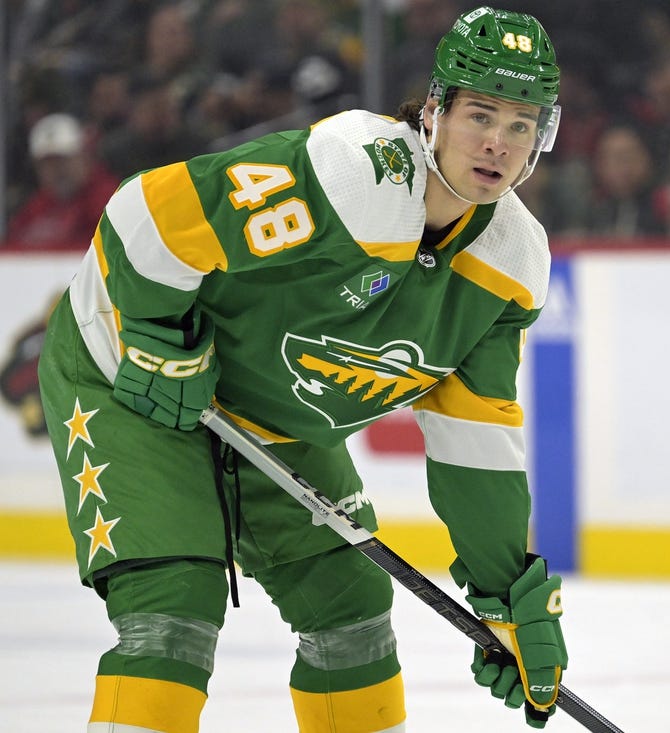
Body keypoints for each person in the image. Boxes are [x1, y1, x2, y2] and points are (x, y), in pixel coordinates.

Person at [37, 7, 568, 732]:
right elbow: (147, 215)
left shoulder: (510, 264)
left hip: (274, 420)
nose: (497, 144)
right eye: (481, 113)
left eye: (520, 125)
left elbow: (475, 443)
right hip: (130, 366)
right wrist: (159, 330)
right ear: (437, 110)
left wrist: (508, 595)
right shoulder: (355, 175)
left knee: (352, 613)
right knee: (173, 611)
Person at [4, 113, 120, 250]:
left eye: (63, 160)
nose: (57, 170)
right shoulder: (37, 207)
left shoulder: (110, 200)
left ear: (84, 156)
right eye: (47, 164)